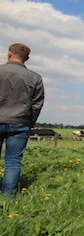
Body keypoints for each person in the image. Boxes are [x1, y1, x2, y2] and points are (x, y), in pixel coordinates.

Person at [0, 44, 44, 198]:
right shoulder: (35, 78)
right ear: (27, 58)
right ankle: (8, 196)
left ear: (9, 54)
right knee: (13, 161)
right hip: (20, 123)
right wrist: (29, 123)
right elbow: (37, 104)